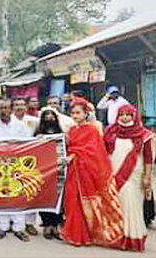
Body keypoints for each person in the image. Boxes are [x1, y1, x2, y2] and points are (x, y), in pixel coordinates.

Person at [60, 98, 124, 247]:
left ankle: (89, 234)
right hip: (73, 170)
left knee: (86, 202)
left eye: (78, 113)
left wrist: (75, 154)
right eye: (73, 113)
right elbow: (71, 146)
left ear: (85, 114)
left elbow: (93, 150)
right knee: (72, 200)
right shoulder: (72, 130)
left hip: (86, 170)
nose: (75, 116)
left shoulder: (92, 130)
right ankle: (75, 234)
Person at [104, 104, 154, 251]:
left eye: (128, 115)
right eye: (121, 115)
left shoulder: (144, 135)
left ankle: (132, 239)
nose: (124, 118)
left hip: (133, 175)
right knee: (117, 204)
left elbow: (148, 158)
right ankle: (117, 238)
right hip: (113, 172)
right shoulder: (110, 132)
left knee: (131, 205)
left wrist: (147, 177)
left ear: (134, 116)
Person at [0, 97, 30, 242]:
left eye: (6, 108)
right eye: (1, 108)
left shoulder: (20, 126)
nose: (4, 111)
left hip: (16, 167)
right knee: (2, 197)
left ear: (11, 109)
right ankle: (3, 228)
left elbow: (27, 145)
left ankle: (18, 229)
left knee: (17, 197)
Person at [11, 97, 40, 236]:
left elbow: (41, 136)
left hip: (30, 160)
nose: (19, 107)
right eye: (16, 104)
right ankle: (11, 222)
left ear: (26, 106)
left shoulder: (34, 121)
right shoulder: (7, 120)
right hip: (11, 161)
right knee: (12, 191)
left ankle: (29, 223)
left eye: (22, 104)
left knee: (29, 190)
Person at [35, 107, 64, 240]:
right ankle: (47, 224)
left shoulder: (62, 133)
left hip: (59, 170)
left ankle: (56, 224)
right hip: (44, 169)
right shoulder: (38, 133)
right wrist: (37, 140)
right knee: (44, 196)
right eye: (46, 116)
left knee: (59, 197)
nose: (49, 118)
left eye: (52, 115)